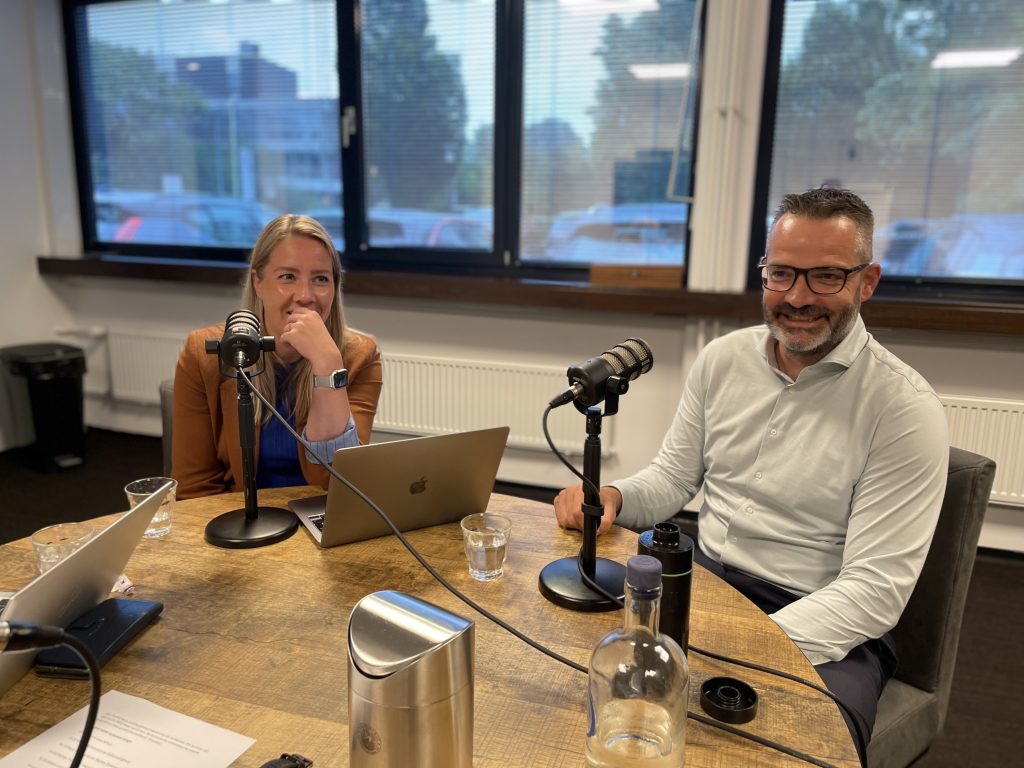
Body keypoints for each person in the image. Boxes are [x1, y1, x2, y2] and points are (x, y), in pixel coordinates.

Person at [553, 187, 948, 763]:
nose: (797, 297)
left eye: (826, 278)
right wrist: (614, 494)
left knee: (784, 751)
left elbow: (873, 592)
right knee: (589, 696)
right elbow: (673, 478)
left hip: (828, 621)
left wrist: (743, 643)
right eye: (782, 273)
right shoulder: (723, 360)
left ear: (867, 281)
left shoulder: (904, 409)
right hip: (707, 581)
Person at [173, 214, 382, 500]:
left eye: (321, 279)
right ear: (258, 283)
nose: (305, 295)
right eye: (287, 277)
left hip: (321, 520)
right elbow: (194, 488)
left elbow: (340, 485)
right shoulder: (205, 354)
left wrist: (327, 366)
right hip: (238, 524)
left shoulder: (359, 356)